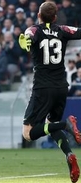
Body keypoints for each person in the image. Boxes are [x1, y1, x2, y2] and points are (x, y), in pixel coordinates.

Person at [18, 2, 81, 183]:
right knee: (50, 124)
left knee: (28, 134)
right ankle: (69, 154)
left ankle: (66, 125)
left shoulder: (34, 30)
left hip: (42, 88)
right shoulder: (62, 29)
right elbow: (78, 31)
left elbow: (27, 38)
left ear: (38, 15)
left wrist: (24, 42)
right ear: (55, 17)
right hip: (62, 86)